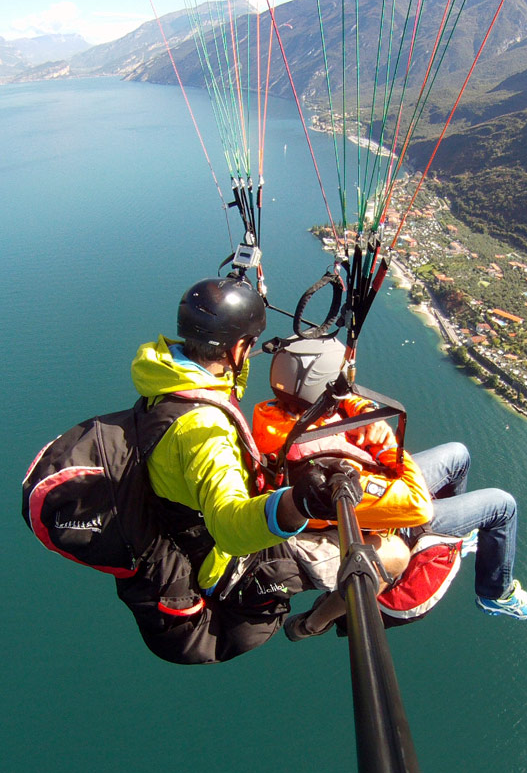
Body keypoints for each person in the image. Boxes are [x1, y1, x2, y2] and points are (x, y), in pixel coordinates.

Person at [123, 276, 357, 662]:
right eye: (247, 348)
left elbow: (225, 389)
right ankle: (316, 623)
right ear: (237, 348)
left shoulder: (167, 377)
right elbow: (231, 529)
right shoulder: (203, 430)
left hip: (179, 534)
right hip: (222, 578)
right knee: (393, 551)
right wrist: (300, 503)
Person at [254, 335, 527, 638]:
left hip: (363, 492)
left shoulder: (279, 413)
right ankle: (496, 593)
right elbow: (416, 505)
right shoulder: (322, 464)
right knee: (502, 506)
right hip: (371, 509)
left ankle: (453, 538)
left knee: (458, 455)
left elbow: (341, 399)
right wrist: (384, 443)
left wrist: (359, 409)